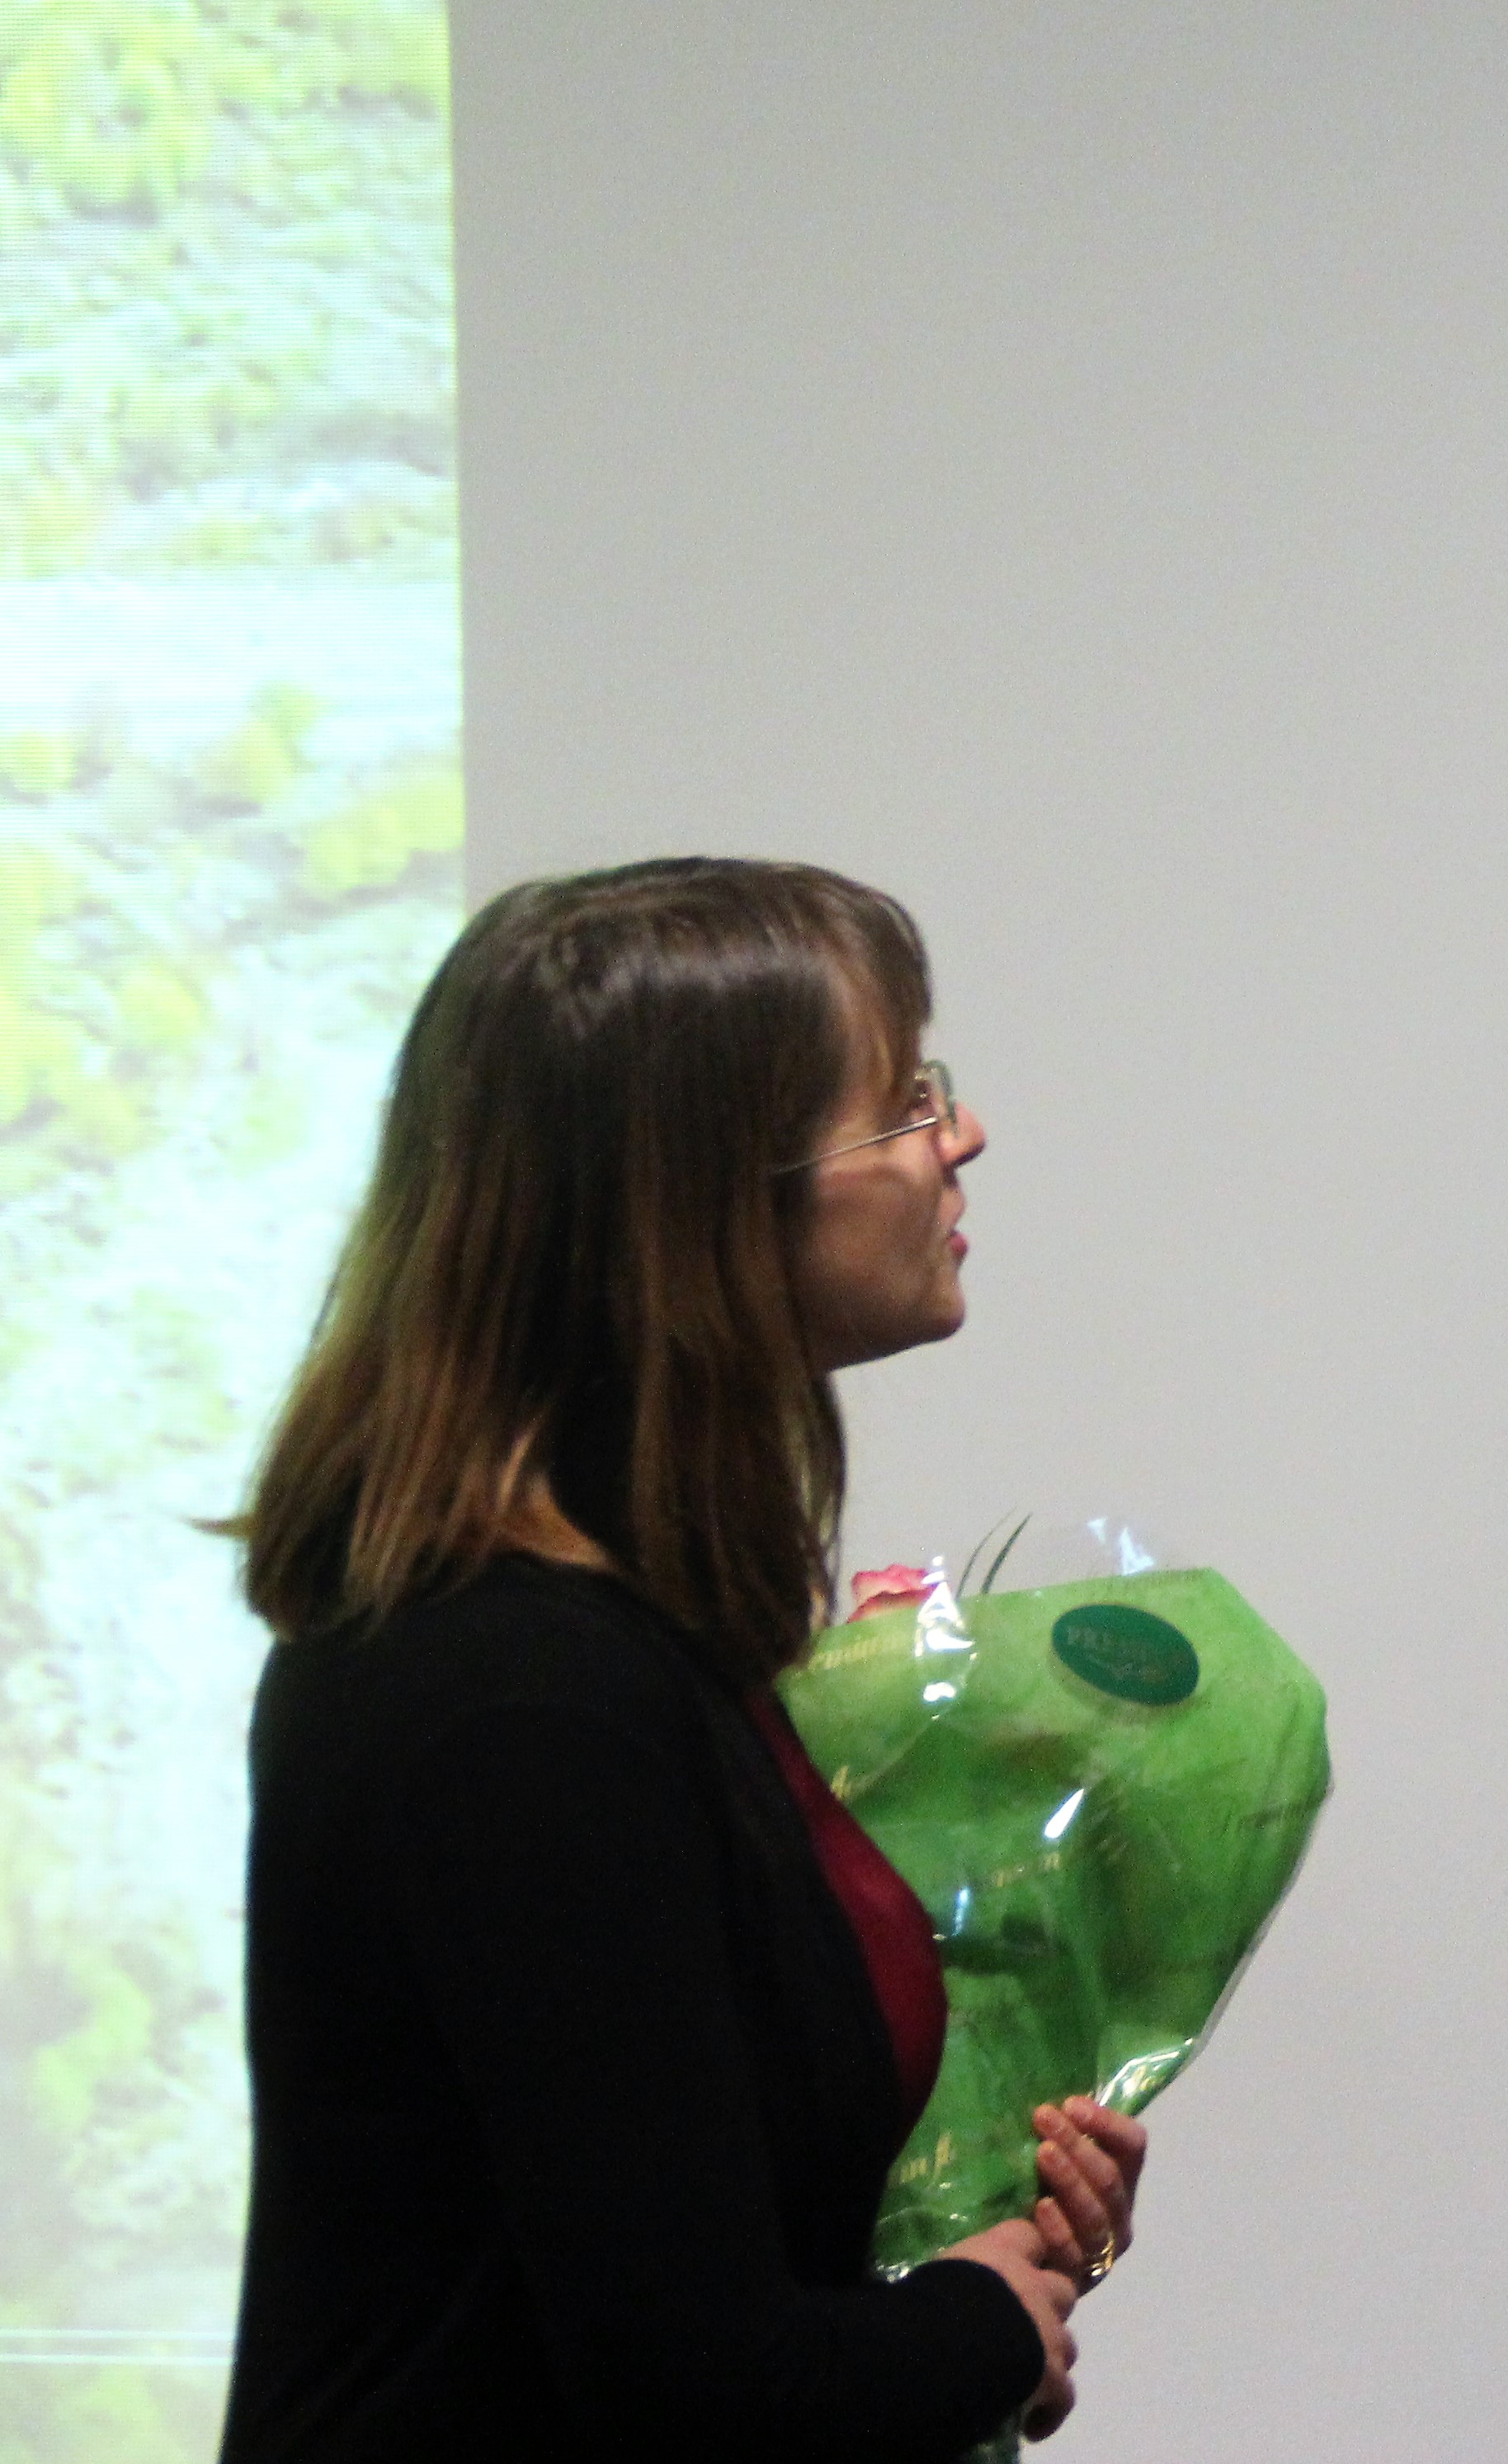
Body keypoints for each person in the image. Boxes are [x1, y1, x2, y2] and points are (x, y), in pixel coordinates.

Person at [223, 858, 1152, 2462]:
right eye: (904, 1100)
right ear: (708, 1207)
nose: (962, 1135)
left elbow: (708, 2257)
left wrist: (987, 2261)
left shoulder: (624, 1644)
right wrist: (978, 2328)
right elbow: (695, 2386)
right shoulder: (517, 1695)